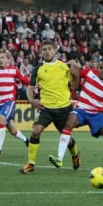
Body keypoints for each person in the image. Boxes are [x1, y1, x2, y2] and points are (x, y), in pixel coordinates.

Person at [48, 57, 103, 176]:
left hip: (97, 114)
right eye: (101, 67)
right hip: (81, 110)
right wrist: (70, 63)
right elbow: (75, 71)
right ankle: (59, 159)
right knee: (69, 123)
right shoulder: (89, 72)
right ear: (97, 67)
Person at [19, 39, 80, 174]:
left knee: (67, 140)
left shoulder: (64, 66)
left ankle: (75, 155)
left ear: (55, 50)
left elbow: (74, 86)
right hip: (45, 108)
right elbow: (30, 88)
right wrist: (32, 100)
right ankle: (31, 163)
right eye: (44, 49)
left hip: (64, 108)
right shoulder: (38, 69)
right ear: (41, 52)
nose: (47, 52)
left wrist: (76, 75)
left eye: (49, 49)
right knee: (36, 131)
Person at [0, 50, 30, 158]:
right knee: (13, 130)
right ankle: (27, 141)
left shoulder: (13, 71)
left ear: (7, 60)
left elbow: (24, 80)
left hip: (9, 102)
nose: (0, 60)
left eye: (2, 57)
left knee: (1, 120)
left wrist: (36, 83)